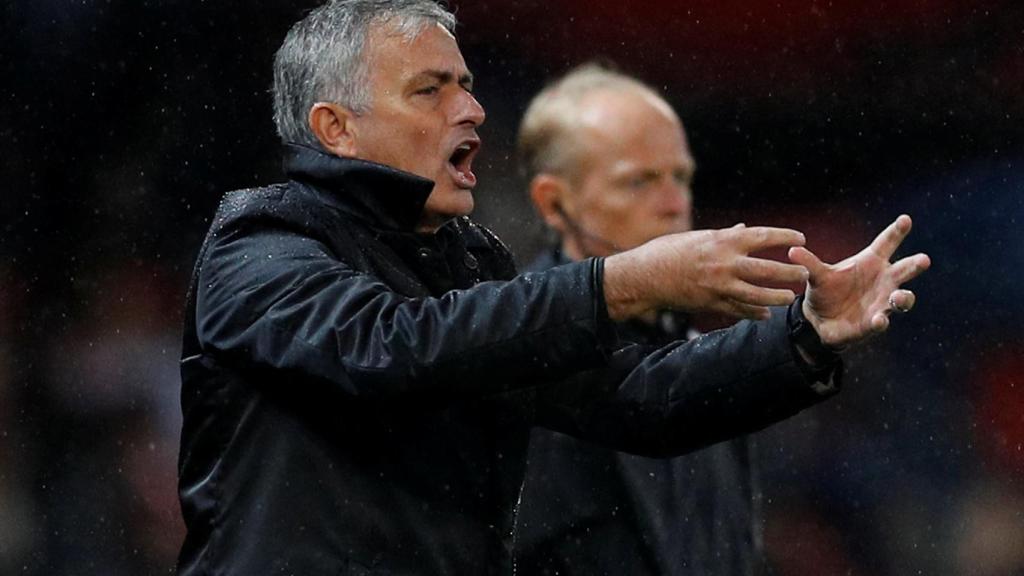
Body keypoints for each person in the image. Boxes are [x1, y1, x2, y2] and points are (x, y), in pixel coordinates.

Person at [176, 1, 930, 574]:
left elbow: (638, 396)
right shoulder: (261, 244)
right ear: (335, 127)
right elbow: (387, 347)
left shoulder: (467, 263)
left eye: (466, 86)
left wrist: (805, 335)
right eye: (430, 90)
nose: (470, 108)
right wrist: (617, 285)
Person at [513, 64, 763, 575]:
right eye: (639, 181)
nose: (675, 205)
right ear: (554, 203)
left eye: (682, 177)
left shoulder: (703, 348)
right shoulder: (517, 363)